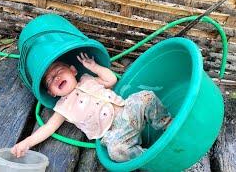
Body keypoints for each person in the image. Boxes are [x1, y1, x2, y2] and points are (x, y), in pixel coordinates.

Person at [11, 52, 172, 162]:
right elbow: (48, 128)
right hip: (114, 133)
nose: (56, 77)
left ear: (73, 71)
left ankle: (167, 124)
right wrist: (27, 142)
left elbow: (111, 80)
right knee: (115, 151)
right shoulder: (63, 107)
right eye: (50, 81)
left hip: (128, 111)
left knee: (146, 96)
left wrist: (94, 67)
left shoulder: (88, 79)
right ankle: (150, 156)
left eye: (59, 71)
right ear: (51, 93)